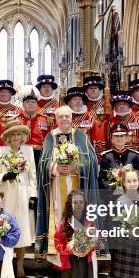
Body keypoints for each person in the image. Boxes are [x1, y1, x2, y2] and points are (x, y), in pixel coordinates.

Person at [35, 105, 99, 266]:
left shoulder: (81, 136)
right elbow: (42, 163)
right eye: (61, 116)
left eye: (67, 116)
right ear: (56, 119)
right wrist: (54, 168)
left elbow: (92, 162)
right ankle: (59, 257)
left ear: (72, 118)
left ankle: (79, 252)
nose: (64, 119)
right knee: (59, 218)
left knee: (78, 218)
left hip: (77, 188)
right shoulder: (50, 137)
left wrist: (76, 166)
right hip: (57, 188)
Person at [0, 120, 37, 278]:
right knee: (6, 229)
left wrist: (33, 196)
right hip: (7, 197)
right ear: (8, 137)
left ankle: (20, 265)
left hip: (24, 197)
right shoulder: (1, 151)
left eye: (19, 134)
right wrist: (4, 176)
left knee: (22, 230)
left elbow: (33, 177)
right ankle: (7, 263)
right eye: (13, 134)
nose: (17, 137)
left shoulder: (28, 151)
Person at [54, 190, 97, 278]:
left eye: (81, 202)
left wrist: (87, 249)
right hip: (71, 261)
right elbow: (58, 242)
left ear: (85, 204)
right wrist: (69, 249)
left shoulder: (89, 222)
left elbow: (95, 240)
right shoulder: (64, 223)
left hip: (85, 261)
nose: (78, 205)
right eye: (75, 202)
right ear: (70, 204)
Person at [98, 123, 139, 190]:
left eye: (122, 136)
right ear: (112, 139)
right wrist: (114, 188)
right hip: (112, 194)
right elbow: (103, 179)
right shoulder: (106, 156)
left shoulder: (134, 155)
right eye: (116, 136)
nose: (119, 138)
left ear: (127, 138)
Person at [17, 85, 49, 168]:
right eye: (27, 102)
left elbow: (49, 139)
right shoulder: (16, 120)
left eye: (33, 102)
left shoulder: (45, 119)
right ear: (23, 104)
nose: (30, 104)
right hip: (21, 154)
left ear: (37, 104)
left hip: (40, 155)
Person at [84, 75, 109, 161]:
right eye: (91, 88)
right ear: (86, 91)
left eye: (96, 88)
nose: (93, 90)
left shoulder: (107, 106)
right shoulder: (82, 106)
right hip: (88, 143)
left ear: (100, 90)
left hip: (106, 142)